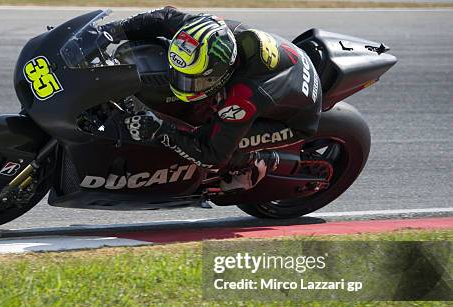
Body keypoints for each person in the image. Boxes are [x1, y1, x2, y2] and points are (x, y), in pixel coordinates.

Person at [102, 7, 322, 191]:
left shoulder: (243, 98)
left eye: (193, 80)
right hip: (285, 73)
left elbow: (212, 154)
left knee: (208, 135)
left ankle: (254, 163)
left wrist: (161, 130)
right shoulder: (201, 31)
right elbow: (163, 17)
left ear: (223, 72)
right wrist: (111, 30)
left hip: (293, 120)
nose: (183, 85)